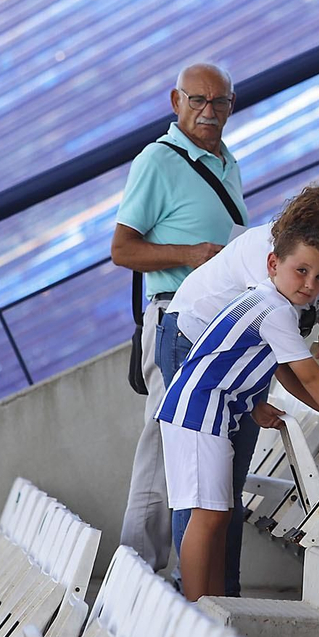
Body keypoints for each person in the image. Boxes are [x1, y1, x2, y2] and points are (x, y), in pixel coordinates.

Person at [163, 184, 319, 594]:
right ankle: (195, 607)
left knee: (220, 506)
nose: (318, 275)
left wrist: (255, 401)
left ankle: (218, 600)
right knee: (205, 509)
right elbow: (301, 372)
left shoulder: (289, 285)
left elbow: (266, 361)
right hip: (198, 388)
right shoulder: (274, 299)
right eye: (307, 267)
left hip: (221, 396)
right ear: (275, 261)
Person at [111, 62, 244, 574]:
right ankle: (138, 569)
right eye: (198, 101)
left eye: (220, 103)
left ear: (232, 105)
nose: (209, 112)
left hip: (211, 323)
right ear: (176, 102)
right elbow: (122, 250)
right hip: (175, 320)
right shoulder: (157, 161)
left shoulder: (227, 161)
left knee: (189, 450)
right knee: (164, 448)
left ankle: (171, 572)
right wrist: (192, 255)